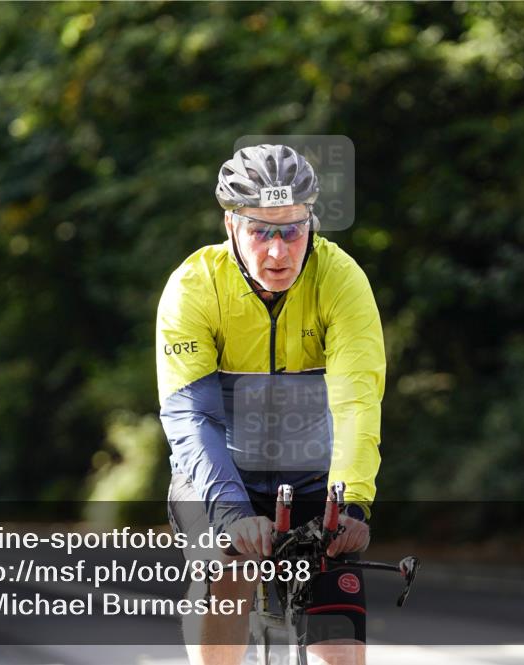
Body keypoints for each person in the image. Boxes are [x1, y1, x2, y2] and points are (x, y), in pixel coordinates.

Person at [157, 144, 386, 665]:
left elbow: (356, 400)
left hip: (314, 477)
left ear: (312, 222)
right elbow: (193, 416)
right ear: (230, 225)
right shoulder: (194, 287)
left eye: (293, 230)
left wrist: (350, 503)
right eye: (261, 231)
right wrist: (231, 514)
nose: (279, 252)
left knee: (341, 653)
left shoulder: (340, 279)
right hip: (220, 472)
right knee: (230, 570)